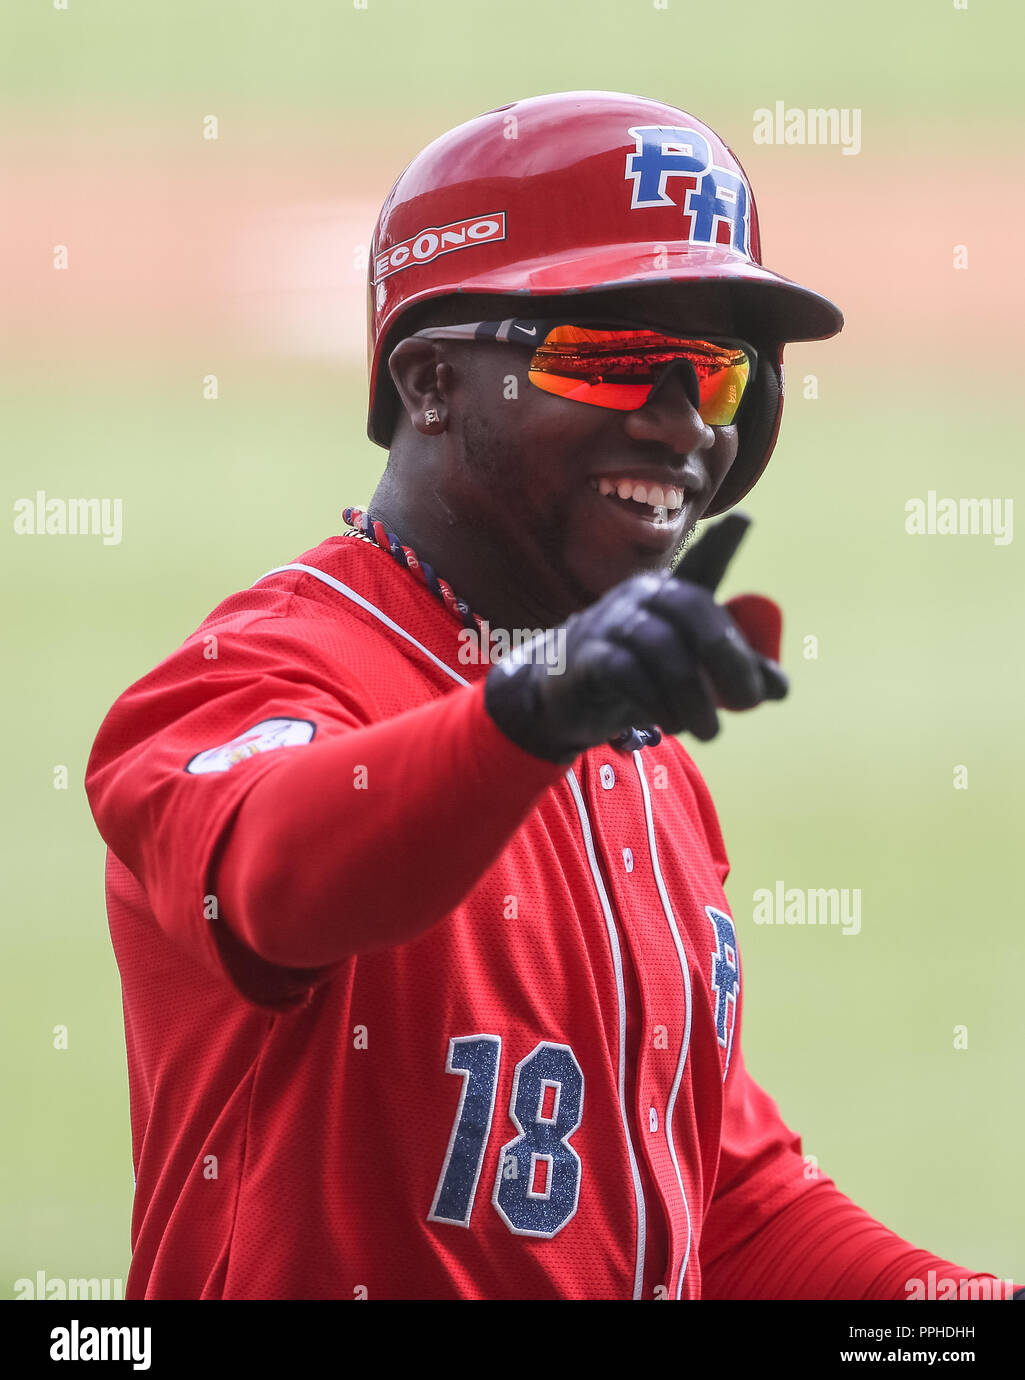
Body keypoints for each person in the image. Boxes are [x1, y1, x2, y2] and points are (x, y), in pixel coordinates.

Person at [85, 91, 1018, 1300]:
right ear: (430, 382)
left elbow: (724, 1203)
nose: (682, 425)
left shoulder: (637, 756)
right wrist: (533, 712)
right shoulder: (255, 675)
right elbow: (274, 879)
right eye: (616, 359)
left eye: (716, 377)